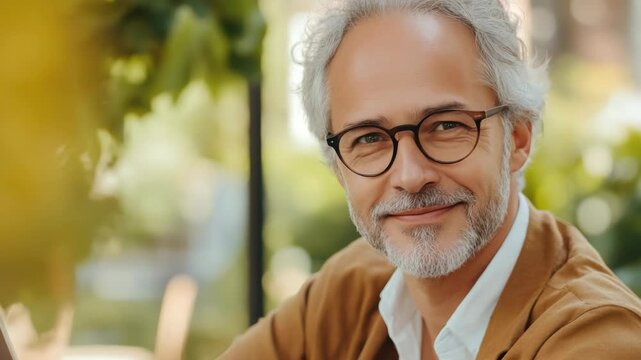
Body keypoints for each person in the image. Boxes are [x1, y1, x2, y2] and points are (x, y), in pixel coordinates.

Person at [221, 0, 641, 358]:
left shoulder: (598, 338)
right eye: (369, 137)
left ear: (518, 137)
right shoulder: (354, 284)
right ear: (337, 165)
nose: (410, 176)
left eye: (445, 126)